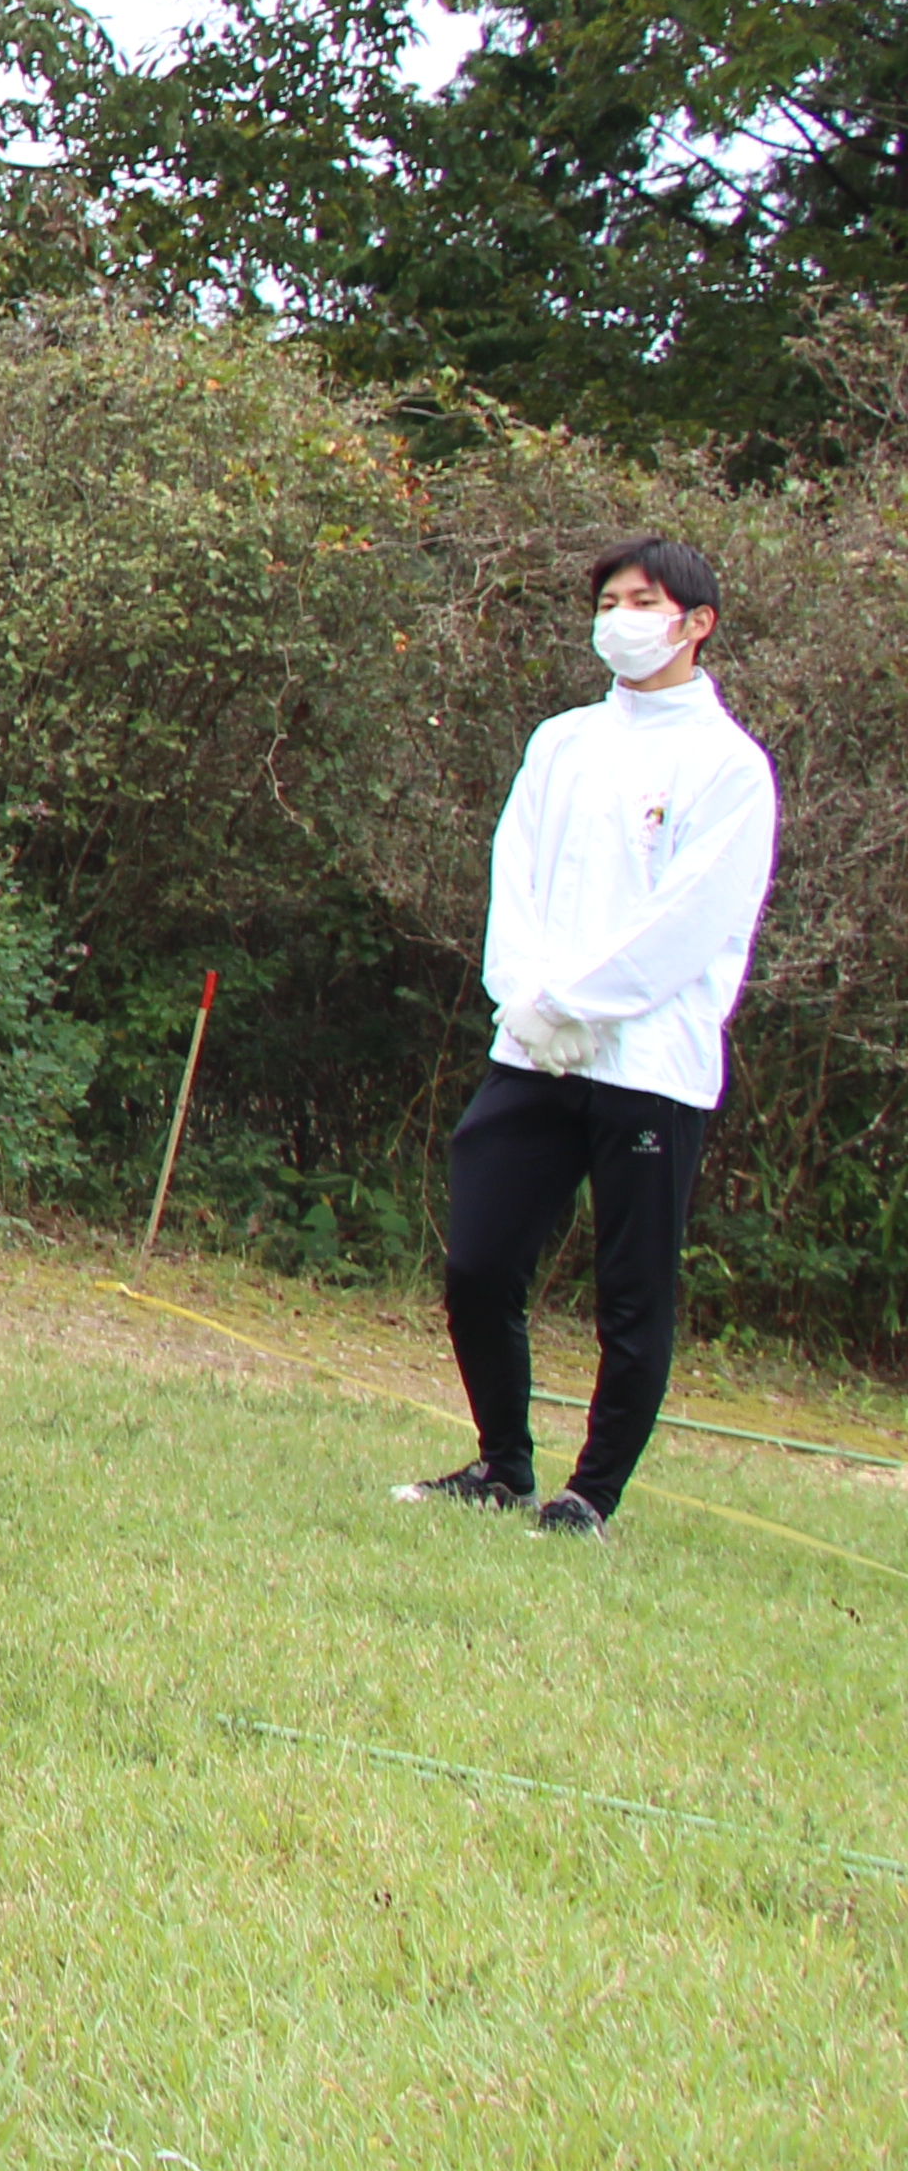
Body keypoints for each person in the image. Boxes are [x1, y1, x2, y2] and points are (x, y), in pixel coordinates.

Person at [405, 538, 780, 1538]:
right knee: (480, 1262)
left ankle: (591, 1495)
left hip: (646, 1063)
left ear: (694, 621)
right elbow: (514, 874)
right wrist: (524, 998)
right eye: (609, 598)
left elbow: (691, 924)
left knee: (630, 1290)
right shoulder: (563, 740)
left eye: (642, 599)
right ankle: (502, 1464)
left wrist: (582, 1004)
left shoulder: (729, 767)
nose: (620, 615)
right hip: (532, 1048)